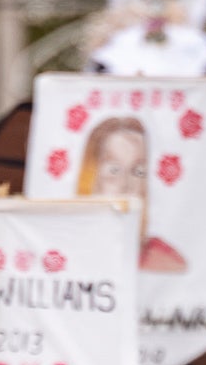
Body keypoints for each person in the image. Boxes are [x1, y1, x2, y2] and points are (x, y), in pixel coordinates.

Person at [76, 116, 185, 272]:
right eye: (114, 170)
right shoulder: (67, 253)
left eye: (138, 172)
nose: (125, 185)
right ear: (90, 179)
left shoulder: (162, 261)